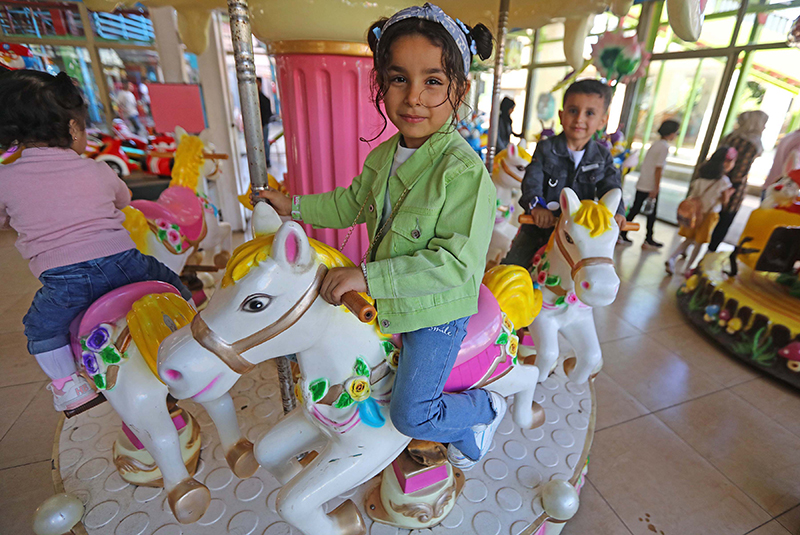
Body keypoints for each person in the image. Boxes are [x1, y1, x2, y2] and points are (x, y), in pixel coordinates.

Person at [257, 3, 502, 469]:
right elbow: (349, 203)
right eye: (398, 78)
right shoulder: (384, 155)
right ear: (381, 83)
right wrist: (295, 207)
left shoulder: (464, 173)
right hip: (390, 295)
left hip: (436, 309)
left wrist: (368, 277)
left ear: (461, 89)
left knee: (411, 415)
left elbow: (453, 267)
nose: (414, 97)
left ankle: (482, 410)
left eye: (433, 81)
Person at [0, 70, 192, 413]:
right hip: (125, 263)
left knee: (40, 328)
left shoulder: (5, 178)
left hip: (64, 280)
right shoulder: (98, 169)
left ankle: (69, 387)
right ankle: (195, 337)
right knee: (172, 283)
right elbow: (124, 199)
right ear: (73, 128)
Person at [501, 79, 626, 267]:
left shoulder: (602, 156)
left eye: (589, 113)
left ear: (602, 121)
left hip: (578, 233)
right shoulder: (546, 148)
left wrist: (617, 212)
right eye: (573, 111)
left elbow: (611, 186)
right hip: (540, 227)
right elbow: (532, 181)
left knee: (593, 266)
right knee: (513, 266)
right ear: (561, 115)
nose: (579, 119)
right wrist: (537, 208)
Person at [666, 146, 737, 276]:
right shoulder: (723, 181)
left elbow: (694, 194)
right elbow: (724, 200)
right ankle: (688, 268)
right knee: (698, 243)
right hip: (709, 215)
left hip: (694, 213)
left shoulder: (702, 176)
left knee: (688, 240)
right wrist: (729, 193)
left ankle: (671, 258)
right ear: (726, 163)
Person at [708, 110, 768, 252]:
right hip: (732, 189)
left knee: (708, 217)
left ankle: (691, 246)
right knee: (724, 221)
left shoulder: (730, 137)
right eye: (763, 123)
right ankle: (709, 253)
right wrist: (731, 190)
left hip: (714, 182)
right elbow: (740, 173)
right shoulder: (751, 144)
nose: (764, 127)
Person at [619, 119, 680, 249]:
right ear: (671, 133)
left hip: (643, 182)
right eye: (676, 132)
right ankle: (647, 238)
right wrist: (656, 188)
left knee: (636, 209)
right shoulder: (664, 147)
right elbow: (658, 169)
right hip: (650, 185)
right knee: (650, 213)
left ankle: (624, 232)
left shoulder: (656, 144)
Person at [259, 78, 273, 168]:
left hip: (263, 125)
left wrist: (263, 123)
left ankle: (266, 160)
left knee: (265, 143)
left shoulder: (264, 99)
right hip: (258, 126)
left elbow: (268, 114)